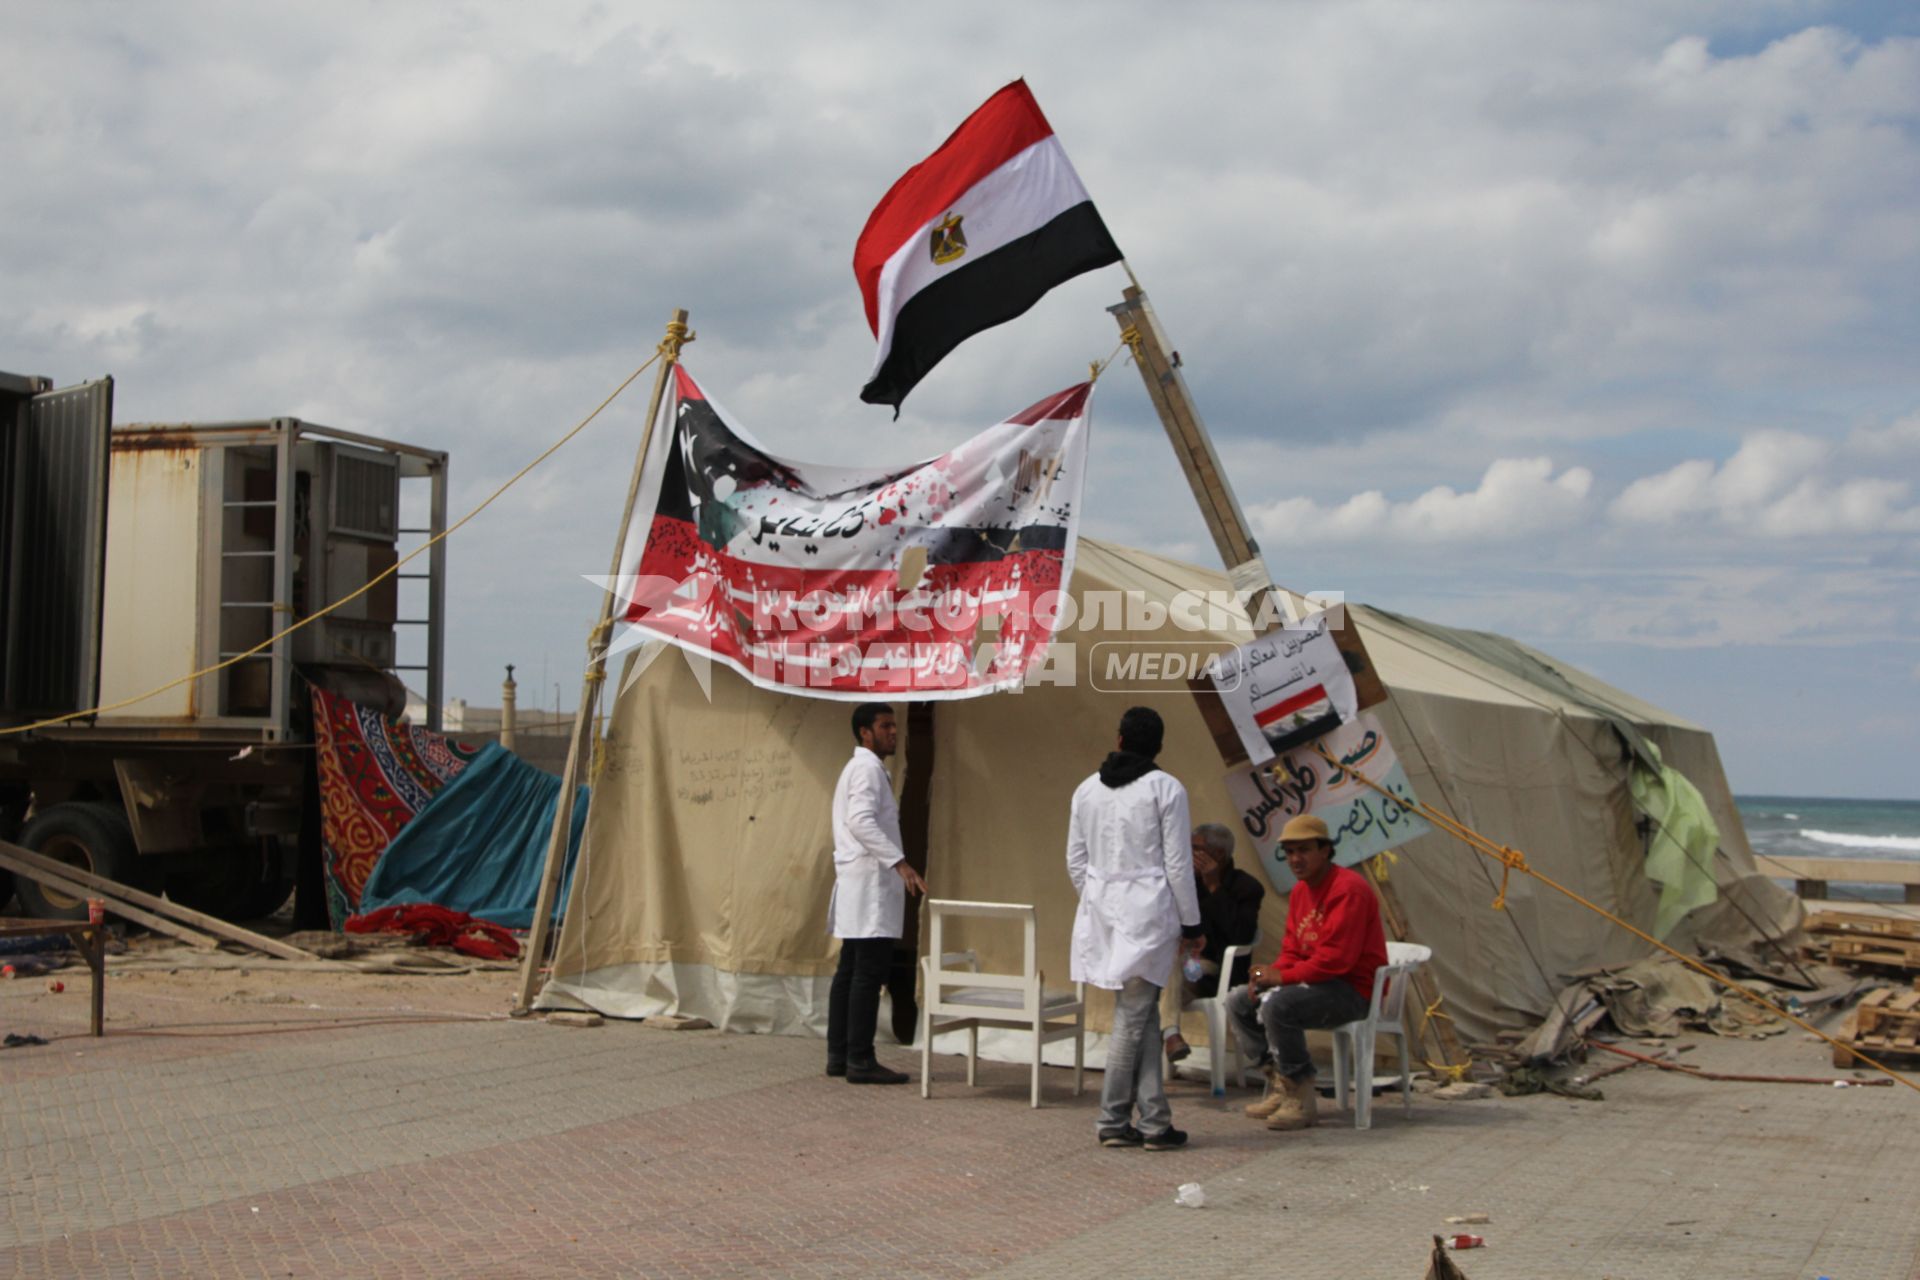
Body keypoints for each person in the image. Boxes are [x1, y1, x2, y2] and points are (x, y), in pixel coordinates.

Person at [1067, 706, 1204, 1150]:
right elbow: (1178, 865)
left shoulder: (1086, 789)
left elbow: (1075, 860)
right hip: (1147, 911)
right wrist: (1191, 920)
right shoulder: (1166, 789)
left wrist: (1097, 899)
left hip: (1102, 910)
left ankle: (1155, 1121)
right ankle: (1111, 1119)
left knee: (1142, 1015)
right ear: (1158, 746)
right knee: (1133, 1016)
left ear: (1119, 739)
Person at [1225, 813, 1386, 1131]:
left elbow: (1335, 961)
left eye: (1304, 850)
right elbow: (1293, 951)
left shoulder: (1348, 890)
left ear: (1325, 850)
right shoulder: (1300, 891)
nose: (1295, 859)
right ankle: (1280, 1083)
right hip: (1316, 983)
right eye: (1289, 852)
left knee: (1279, 1004)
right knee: (1238, 1000)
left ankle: (1301, 1096)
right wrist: (1267, 974)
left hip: (1351, 990)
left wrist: (1280, 978)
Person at [826, 702, 926, 1084]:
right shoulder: (867, 768)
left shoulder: (861, 768)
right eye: (885, 726)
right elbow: (861, 821)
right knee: (866, 973)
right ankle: (860, 1059)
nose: (894, 733)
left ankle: (839, 1055)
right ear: (865, 733)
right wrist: (900, 863)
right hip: (869, 882)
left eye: (895, 726)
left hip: (859, 881)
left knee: (850, 970)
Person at [1161, 823, 1265, 1064]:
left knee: (1168, 969)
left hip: (1217, 970)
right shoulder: (1186, 884)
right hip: (1184, 971)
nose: (1187, 854)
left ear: (1217, 854)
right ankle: (1169, 1036)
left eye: (1194, 849)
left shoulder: (1246, 887)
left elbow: (1240, 934)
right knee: (1154, 977)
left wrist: (1214, 887)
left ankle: (1166, 1037)